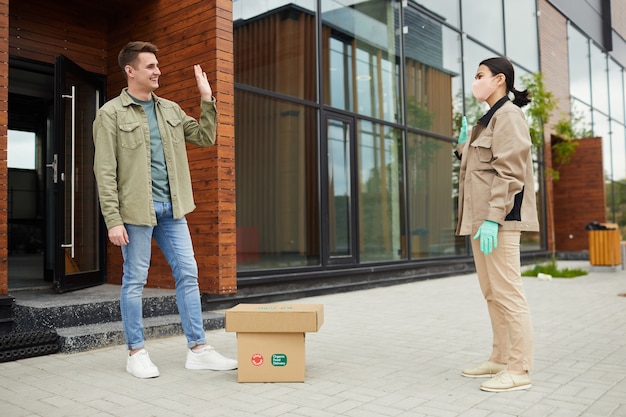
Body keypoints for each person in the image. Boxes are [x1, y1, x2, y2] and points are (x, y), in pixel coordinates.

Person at [93, 41, 237, 379]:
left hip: (173, 212)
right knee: (135, 281)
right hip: (135, 213)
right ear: (130, 71)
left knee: (188, 273)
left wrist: (206, 99)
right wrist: (113, 220)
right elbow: (104, 171)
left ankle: (198, 349)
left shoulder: (170, 110)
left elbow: (204, 138)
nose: (158, 71)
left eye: (158, 65)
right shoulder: (110, 113)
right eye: (150, 66)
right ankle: (136, 352)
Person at [454, 57, 539, 392]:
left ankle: (519, 368)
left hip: (498, 221)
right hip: (480, 222)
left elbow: (511, 172)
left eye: (480, 76)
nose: (475, 81)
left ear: (499, 79)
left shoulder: (508, 116)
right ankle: (500, 357)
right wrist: (464, 144)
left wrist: (492, 219)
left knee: (509, 294)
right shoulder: (487, 120)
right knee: (492, 293)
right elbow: (480, 165)